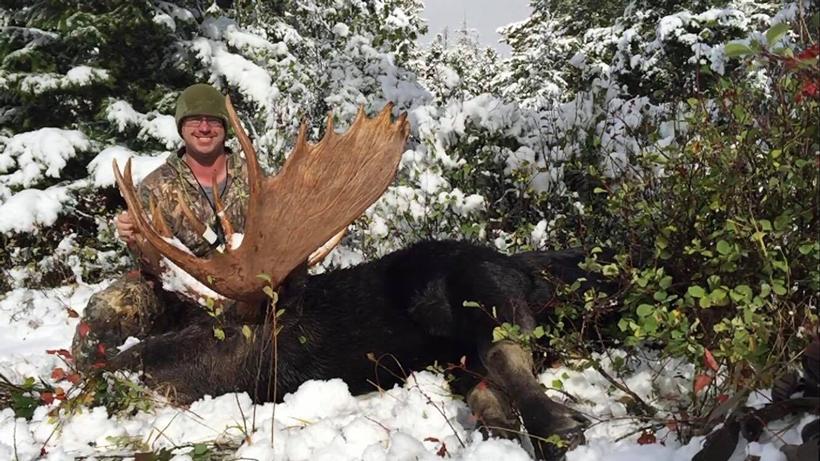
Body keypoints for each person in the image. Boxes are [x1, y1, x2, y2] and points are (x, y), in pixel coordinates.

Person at [71, 83, 250, 369]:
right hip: (179, 294)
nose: (204, 128)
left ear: (225, 128)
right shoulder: (156, 186)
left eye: (213, 120)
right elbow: (149, 263)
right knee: (109, 308)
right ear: (181, 127)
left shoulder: (254, 177)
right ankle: (93, 382)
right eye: (194, 119)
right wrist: (133, 238)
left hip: (246, 292)